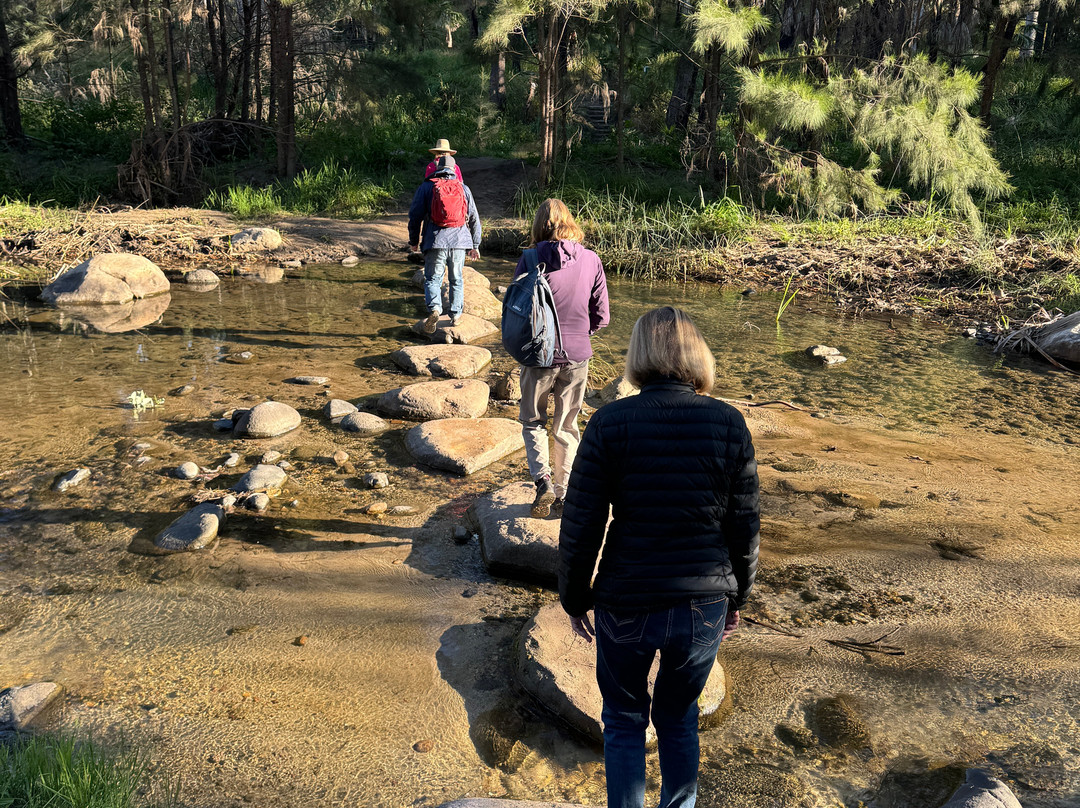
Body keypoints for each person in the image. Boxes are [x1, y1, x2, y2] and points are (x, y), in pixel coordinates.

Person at [558, 306, 760, 808]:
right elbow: (745, 525)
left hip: (626, 596)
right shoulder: (729, 423)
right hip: (703, 600)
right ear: (699, 357)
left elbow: (582, 522)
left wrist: (574, 598)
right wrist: (738, 596)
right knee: (678, 718)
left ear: (637, 356)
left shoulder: (609, 423)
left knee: (624, 721)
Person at [515, 198, 609, 518]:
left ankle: (542, 482)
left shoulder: (529, 258)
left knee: (533, 421)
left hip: (538, 357)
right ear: (570, 222)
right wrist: (582, 335)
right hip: (578, 355)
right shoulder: (592, 259)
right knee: (567, 423)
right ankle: (564, 492)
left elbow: (517, 312)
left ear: (539, 226)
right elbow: (602, 316)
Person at [408, 155, 481, 332]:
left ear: (438, 168)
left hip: (435, 241)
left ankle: (435, 309)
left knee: (433, 279)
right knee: (456, 279)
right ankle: (455, 315)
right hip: (459, 241)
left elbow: (415, 216)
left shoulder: (427, 187)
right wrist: (475, 245)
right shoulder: (463, 188)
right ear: (454, 169)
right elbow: (474, 218)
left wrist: (414, 241)